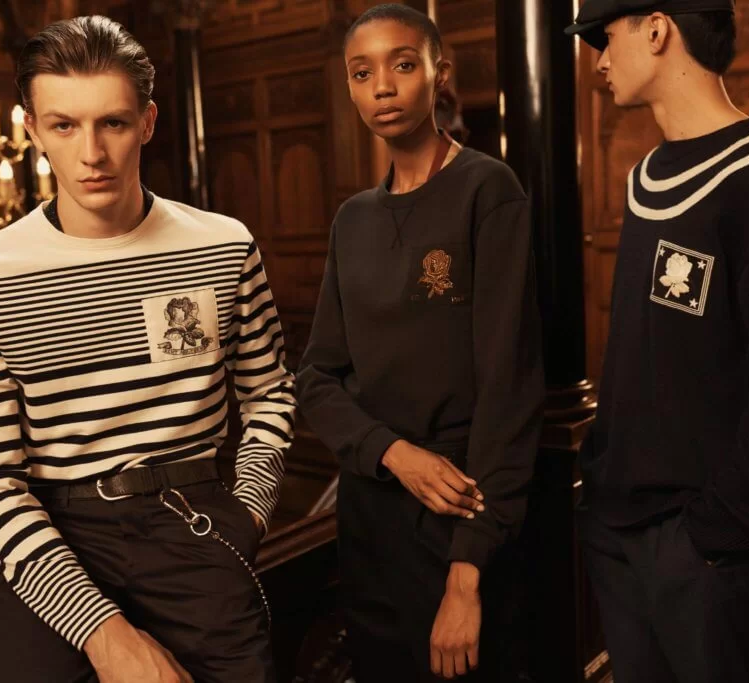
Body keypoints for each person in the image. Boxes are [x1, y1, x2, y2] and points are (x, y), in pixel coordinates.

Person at [0, 15, 296, 683]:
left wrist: (247, 511)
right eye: (64, 125)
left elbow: (270, 392)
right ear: (31, 129)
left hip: (194, 520)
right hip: (56, 535)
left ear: (148, 121)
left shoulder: (223, 245)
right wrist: (103, 635)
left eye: (113, 122)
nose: (91, 153)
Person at [565, 2, 749, 681]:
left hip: (704, 544)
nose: (601, 61)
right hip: (621, 525)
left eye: (608, 38)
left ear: (657, 29)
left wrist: (721, 530)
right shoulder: (645, 176)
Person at [296, 5, 544, 681]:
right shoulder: (353, 220)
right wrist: (392, 453)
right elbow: (316, 377)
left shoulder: (487, 190)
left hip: (464, 510)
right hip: (372, 515)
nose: (382, 86)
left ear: (439, 73)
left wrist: (467, 572)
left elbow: (509, 388)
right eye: (362, 72)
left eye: (402, 65)